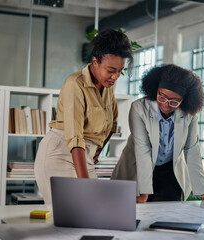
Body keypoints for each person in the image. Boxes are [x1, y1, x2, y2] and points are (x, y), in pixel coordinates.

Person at [35, 29, 133, 204]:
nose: (115, 76)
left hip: (84, 157)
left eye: (119, 71)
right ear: (95, 61)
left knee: (92, 213)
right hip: (60, 154)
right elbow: (75, 137)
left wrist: (97, 151)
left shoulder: (107, 86)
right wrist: (85, 183)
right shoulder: (75, 83)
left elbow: (111, 124)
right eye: (111, 70)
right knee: (72, 217)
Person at [111, 64, 204, 203]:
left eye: (174, 101)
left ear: (184, 100)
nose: (166, 104)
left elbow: (191, 150)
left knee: (168, 219)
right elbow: (142, 149)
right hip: (137, 169)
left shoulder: (189, 115)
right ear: (155, 89)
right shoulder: (138, 108)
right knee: (132, 219)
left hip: (170, 173)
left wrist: (203, 191)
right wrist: (144, 191)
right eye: (162, 97)